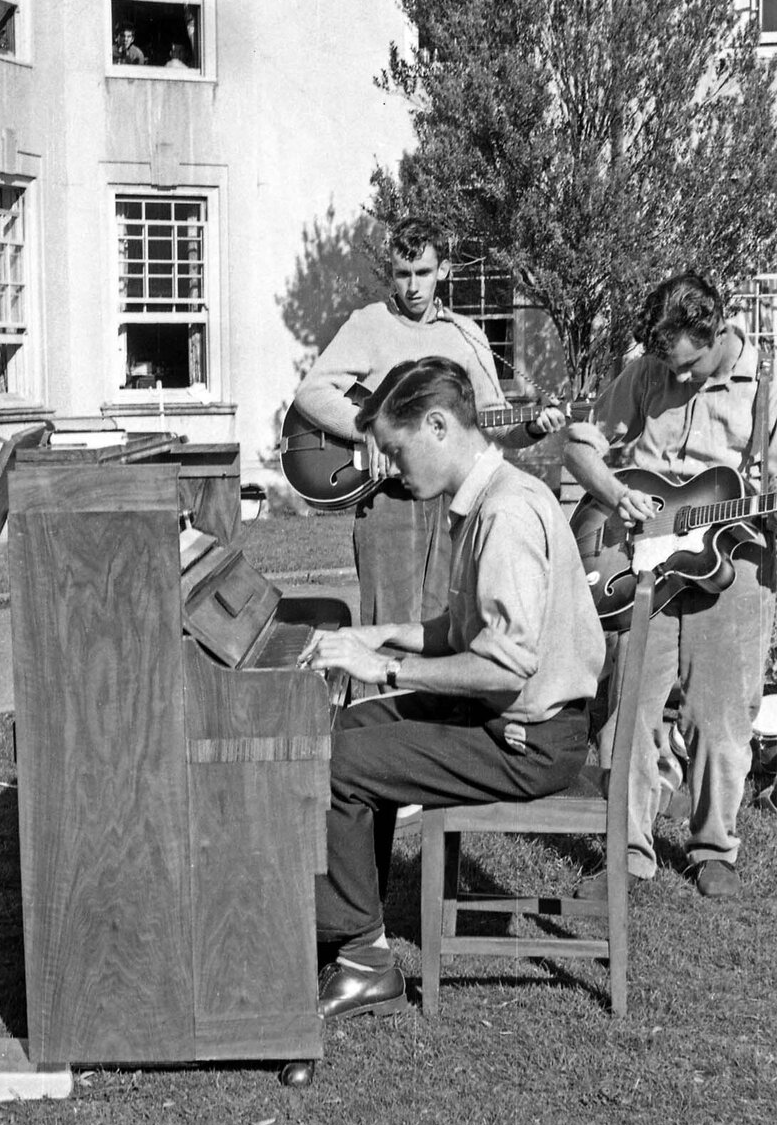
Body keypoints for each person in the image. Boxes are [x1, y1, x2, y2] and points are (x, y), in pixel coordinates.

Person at [299, 357, 606, 1020]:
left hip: (530, 740)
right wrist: (380, 636)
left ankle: (362, 960)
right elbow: (458, 630)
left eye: (395, 449)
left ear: (437, 425)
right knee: (350, 731)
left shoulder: (506, 517)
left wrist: (383, 668)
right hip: (512, 720)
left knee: (340, 762)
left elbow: (504, 665)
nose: (389, 467)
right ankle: (355, 932)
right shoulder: (486, 500)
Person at [565, 272, 777, 901]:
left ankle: (715, 848)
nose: (676, 382)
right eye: (669, 369)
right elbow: (579, 447)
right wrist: (614, 494)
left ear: (716, 330)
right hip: (644, 559)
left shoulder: (766, 384)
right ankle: (627, 851)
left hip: (737, 561)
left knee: (722, 716)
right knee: (628, 707)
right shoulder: (647, 373)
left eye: (688, 368)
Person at [294, 217, 566, 630]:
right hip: (388, 499)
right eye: (403, 274)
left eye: (423, 272)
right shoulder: (370, 323)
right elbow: (311, 393)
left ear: (444, 270)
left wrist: (533, 426)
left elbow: (490, 422)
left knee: (447, 623)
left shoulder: (466, 334)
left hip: (452, 500)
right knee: (388, 627)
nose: (413, 286)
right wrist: (368, 428)